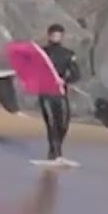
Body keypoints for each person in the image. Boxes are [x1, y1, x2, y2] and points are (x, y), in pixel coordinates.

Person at [39, 24, 81, 161]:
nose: (56, 37)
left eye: (58, 35)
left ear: (62, 36)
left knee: (63, 123)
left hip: (60, 93)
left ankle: (57, 149)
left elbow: (76, 74)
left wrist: (65, 80)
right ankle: (54, 153)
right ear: (49, 35)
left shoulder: (68, 54)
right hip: (45, 92)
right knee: (51, 123)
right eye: (53, 34)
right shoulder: (41, 52)